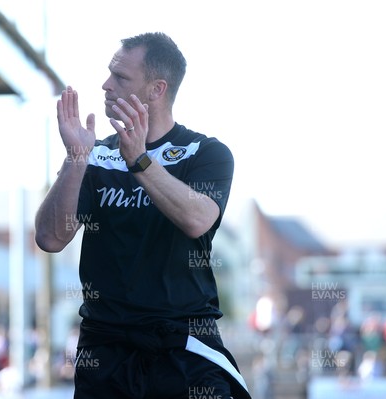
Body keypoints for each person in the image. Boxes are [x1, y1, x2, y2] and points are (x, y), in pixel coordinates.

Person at [35, 32, 251, 399]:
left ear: (156, 89)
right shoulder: (95, 154)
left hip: (183, 349)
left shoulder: (206, 152)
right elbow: (50, 238)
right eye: (109, 74)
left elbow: (198, 218)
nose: (105, 85)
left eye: (120, 77)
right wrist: (75, 159)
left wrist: (139, 160)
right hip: (106, 353)